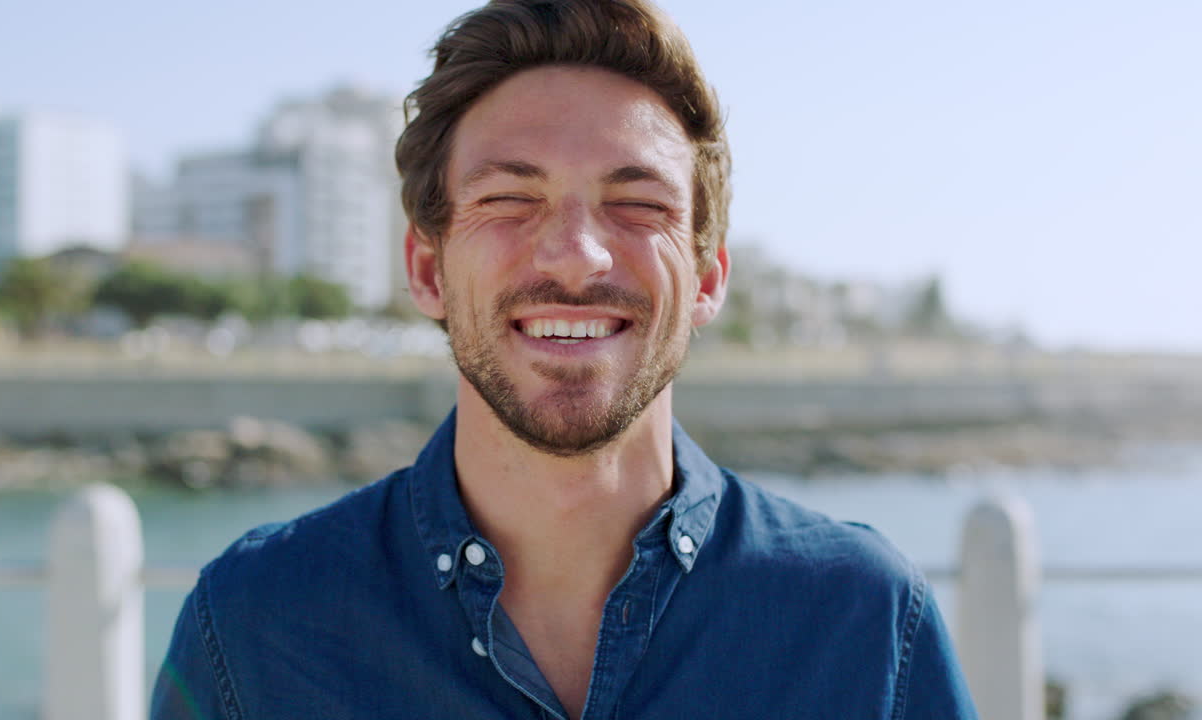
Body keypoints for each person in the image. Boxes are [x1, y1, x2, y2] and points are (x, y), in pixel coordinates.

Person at [152, 1, 979, 718]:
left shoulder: (866, 624)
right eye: (510, 198)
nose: (577, 257)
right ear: (427, 268)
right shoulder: (254, 626)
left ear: (708, 278)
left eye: (637, 204)